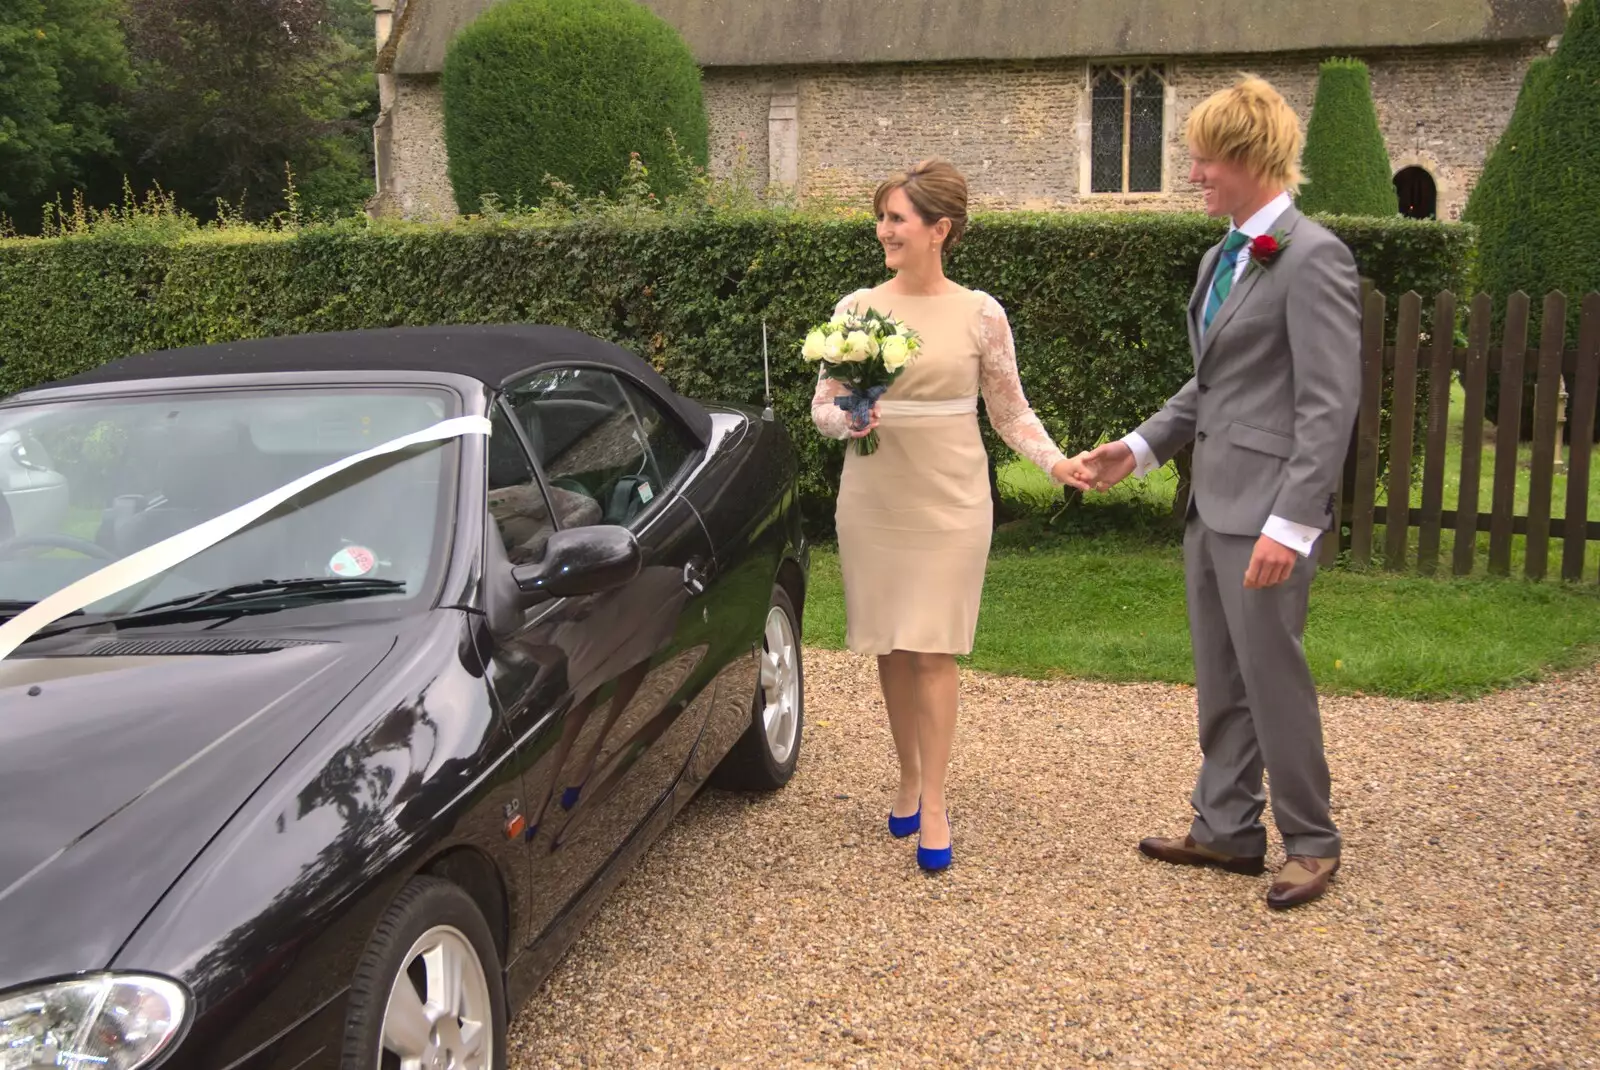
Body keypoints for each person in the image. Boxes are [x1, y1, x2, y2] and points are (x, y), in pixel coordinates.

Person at [1068, 77, 1361, 910]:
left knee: (1274, 678)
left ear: (1250, 159)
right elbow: (1212, 389)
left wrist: (1293, 524)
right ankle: (1227, 826)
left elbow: (1327, 406)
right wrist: (1139, 447)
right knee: (1220, 678)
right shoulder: (1220, 257)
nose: (1193, 173)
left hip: (1268, 514)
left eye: (1203, 159)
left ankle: (1311, 840)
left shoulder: (1313, 258)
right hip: (1209, 505)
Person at [811, 159, 1090, 872]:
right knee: (894, 645)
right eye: (881, 218)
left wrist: (1054, 462)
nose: (883, 231)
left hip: (951, 498)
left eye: (897, 219)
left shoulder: (980, 313)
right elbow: (822, 406)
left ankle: (933, 800)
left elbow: (1010, 409)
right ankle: (906, 773)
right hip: (875, 498)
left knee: (933, 647)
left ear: (941, 229)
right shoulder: (854, 309)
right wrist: (850, 418)